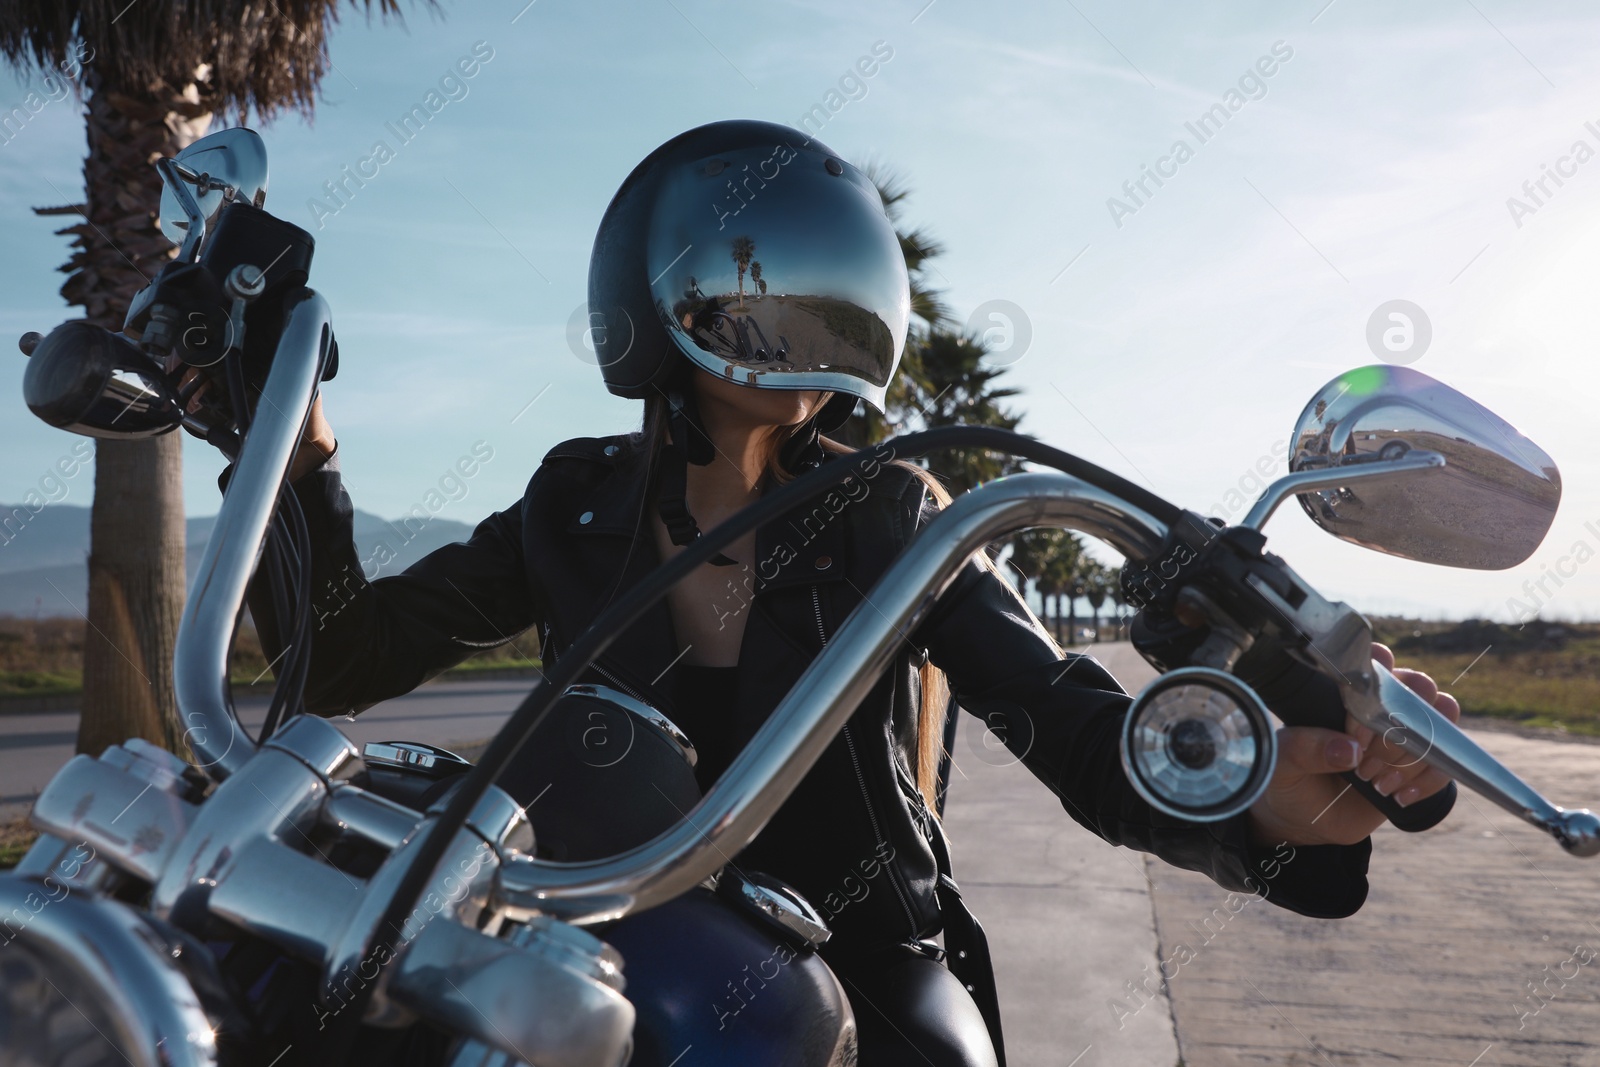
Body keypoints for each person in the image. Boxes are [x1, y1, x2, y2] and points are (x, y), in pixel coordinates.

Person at [253, 120, 1460, 1066]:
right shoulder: (573, 501)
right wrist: (296, 457)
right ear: (652, 295)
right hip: (591, 944)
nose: (792, 318)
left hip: (855, 956)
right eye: (759, 278)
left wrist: (1282, 797)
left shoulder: (895, 513)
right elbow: (341, 658)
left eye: (825, 283)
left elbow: (1075, 728)